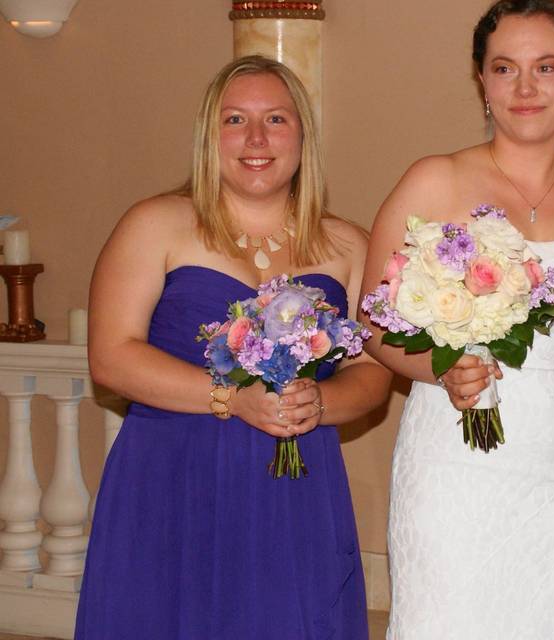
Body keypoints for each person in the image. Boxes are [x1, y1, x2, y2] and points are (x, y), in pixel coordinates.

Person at [75, 55, 391, 639]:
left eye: (275, 119)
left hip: (295, 483)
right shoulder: (155, 224)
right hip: (172, 476)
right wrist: (230, 398)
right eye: (234, 120)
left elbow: (373, 373)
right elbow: (111, 356)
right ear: (208, 135)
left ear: (302, 136)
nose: (255, 139)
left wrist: (318, 405)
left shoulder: (348, 244)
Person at [360, 1, 554, 637]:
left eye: (546, 67)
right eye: (504, 67)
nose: (525, 87)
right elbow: (373, 319)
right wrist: (438, 369)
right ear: (481, 81)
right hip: (457, 459)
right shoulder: (433, 180)